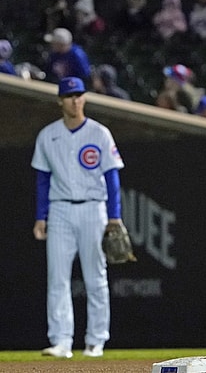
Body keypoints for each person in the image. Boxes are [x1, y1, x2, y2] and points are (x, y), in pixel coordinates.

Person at [31, 77, 125, 359]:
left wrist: (115, 216)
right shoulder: (48, 135)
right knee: (57, 277)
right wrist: (40, 216)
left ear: (84, 97)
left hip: (93, 208)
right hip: (59, 209)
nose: (75, 100)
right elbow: (42, 180)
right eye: (70, 95)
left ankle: (96, 341)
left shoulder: (99, 133)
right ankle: (61, 340)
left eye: (79, 94)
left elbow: (112, 177)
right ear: (60, 100)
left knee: (95, 277)